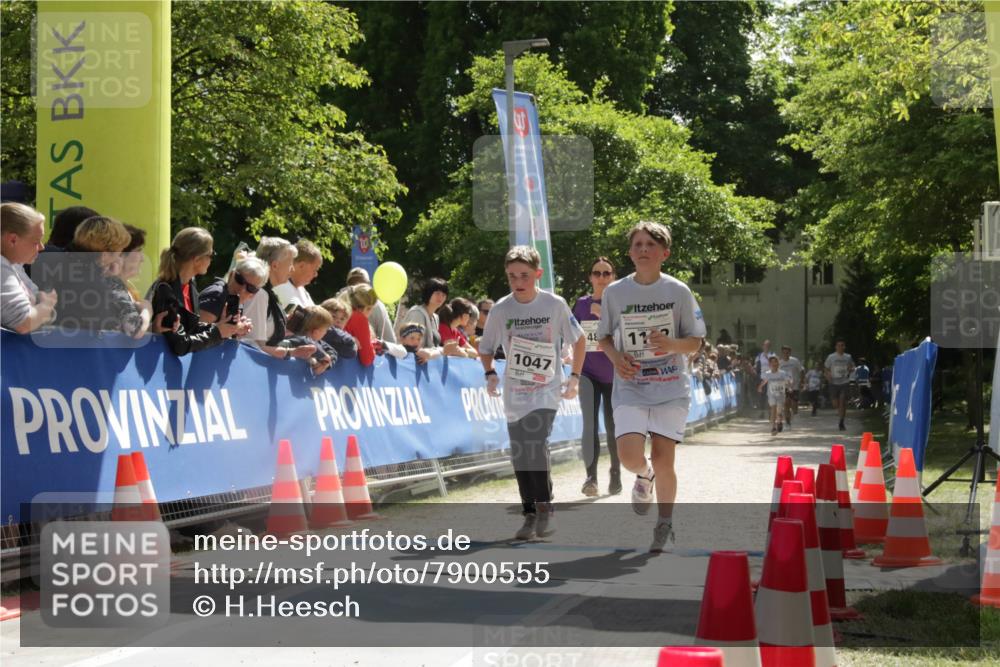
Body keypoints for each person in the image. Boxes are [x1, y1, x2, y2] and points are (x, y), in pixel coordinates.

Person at [597, 221, 705, 553]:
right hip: (630, 384)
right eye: (638, 244)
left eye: (651, 244)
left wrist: (670, 345)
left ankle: (665, 524)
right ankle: (643, 477)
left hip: (670, 386)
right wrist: (617, 358)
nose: (643, 249)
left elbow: (696, 342)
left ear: (664, 253)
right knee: (629, 456)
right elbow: (602, 338)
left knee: (664, 459)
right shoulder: (615, 292)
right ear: (630, 253)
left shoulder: (678, 291)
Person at [480, 245, 585, 541]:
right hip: (515, 391)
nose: (518, 282)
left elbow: (578, 341)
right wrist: (489, 374)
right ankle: (528, 514)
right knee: (520, 453)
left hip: (546, 389)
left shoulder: (554, 305)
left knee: (536, 443)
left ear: (538, 274)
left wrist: (574, 378)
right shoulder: (501, 309)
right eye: (512, 276)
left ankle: (544, 507)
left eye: (524, 275)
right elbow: (486, 348)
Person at [148, 227, 251, 355]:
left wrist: (224, 327)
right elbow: (180, 344)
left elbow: (191, 329)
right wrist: (218, 332)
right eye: (211, 255)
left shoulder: (190, 285)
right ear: (197, 260)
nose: (211, 260)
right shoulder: (166, 290)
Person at [51, 216, 150, 339]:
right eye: (119, 253)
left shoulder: (50, 260)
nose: (119, 258)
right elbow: (134, 329)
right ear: (104, 255)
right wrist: (147, 310)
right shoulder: (103, 283)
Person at [574, 257, 621, 497]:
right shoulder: (580, 304)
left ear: (613, 276)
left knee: (614, 427)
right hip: (588, 372)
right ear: (590, 277)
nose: (601, 277)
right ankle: (591, 477)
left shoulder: (621, 302)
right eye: (597, 273)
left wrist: (602, 314)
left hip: (614, 373)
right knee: (589, 425)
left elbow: (627, 333)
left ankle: (615, 472)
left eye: (606, 273)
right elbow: (572, 336)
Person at [244, 237, 314, 362]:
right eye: (290, 264)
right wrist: (291, 353)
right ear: (275, 265)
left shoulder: (267, 293)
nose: (292, 269)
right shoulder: (260, 293)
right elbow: (252, 346)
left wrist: (283, 323)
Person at [1, 202, 57, 333]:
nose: (42, 247)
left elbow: (37, 299)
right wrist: (47, 306)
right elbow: (24, 322)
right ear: (13, 240)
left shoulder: (13, 264)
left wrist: (44, 309)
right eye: (36, 242)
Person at [198, 256, 270, 325]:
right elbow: (196, 333)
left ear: (253, 294)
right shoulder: (217, 296)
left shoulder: (232, 301)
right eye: (240, 280)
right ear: (231, 275)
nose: (242, 289)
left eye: (251, 288)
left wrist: (237, 329)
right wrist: (220, 330)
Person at [341, 267, 397, 344]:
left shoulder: (338, 301)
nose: (357, 286)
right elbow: (389, 340)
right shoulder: (377, 305)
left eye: (361, 284)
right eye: (354, 283)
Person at [281, 305, 336, 375]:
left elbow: (332, 350)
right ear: (316, 332)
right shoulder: (290, 335)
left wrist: (326, 363)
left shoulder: (318, 342)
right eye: (326, 330)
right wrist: (323, 355)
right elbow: (303, 341)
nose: (326, 333)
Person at [399, 277, 448, 348]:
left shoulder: (435, 317)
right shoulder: (417, 313)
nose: (441, 297)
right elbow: (413, 345)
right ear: (429, 293)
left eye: (444, 295)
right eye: (437, 293)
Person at [273, 239, 322, 309]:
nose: (316, 274)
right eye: (315, 269)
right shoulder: (279, 286)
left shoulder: (303, 290)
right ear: (301, 265)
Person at [345, 283, 379, 366]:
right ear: (368, 308)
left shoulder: (343, 310)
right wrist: (373, 348)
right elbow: (367, 359)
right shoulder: (359, 318)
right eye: (371, 309)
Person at [825, 340, 855, 431]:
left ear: (844, 347)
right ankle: (840, 412)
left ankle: (841, 421)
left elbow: (852, 367)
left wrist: (850, 369)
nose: (840, 347)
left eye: (842, 345)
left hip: (844, 382)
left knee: (842, 401)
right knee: (835, 404)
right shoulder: (831, 357)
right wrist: (828, 375)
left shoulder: (848, 357)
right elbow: (826, 368)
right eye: (838, 345)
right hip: (833, 382)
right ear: (836, 347)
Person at [758, 356, 791, 436]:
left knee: (779, 412)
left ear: (778, 363)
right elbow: (764, 381)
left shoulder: (782, 373)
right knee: (773, 409)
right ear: (769, 364)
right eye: (772, 362)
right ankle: (773, 427)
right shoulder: (768, 374)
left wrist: (789, 386)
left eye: (775, 362)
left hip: (780, 395)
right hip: (771, 394)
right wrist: (760, 387)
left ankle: (779, 422)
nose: (774, 364)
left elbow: (787, 381)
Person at [318, 297, 359, 362]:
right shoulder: (318, 330)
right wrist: (351, 339)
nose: (338, 321)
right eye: (333, 316)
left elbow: (352, 352)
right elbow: (330, 331)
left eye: (342, 319)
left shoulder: (340, 340)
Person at [120, 224, 147, 303]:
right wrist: (147, 311)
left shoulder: (128, 289)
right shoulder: (112, 291)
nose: (142, 259)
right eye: (138, 250)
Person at [778, 345, 804, 428]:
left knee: (794, 404)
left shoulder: (795, 361)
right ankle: (788, 422)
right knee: (786, 404)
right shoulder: (780, 363)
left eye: (787, 352)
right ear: (782, 353)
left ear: (790, 353)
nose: (786, 354)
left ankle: (795, 414)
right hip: (784, 386)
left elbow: (801, 370)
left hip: (794, 386)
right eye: (784, 352)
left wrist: (802, 381)